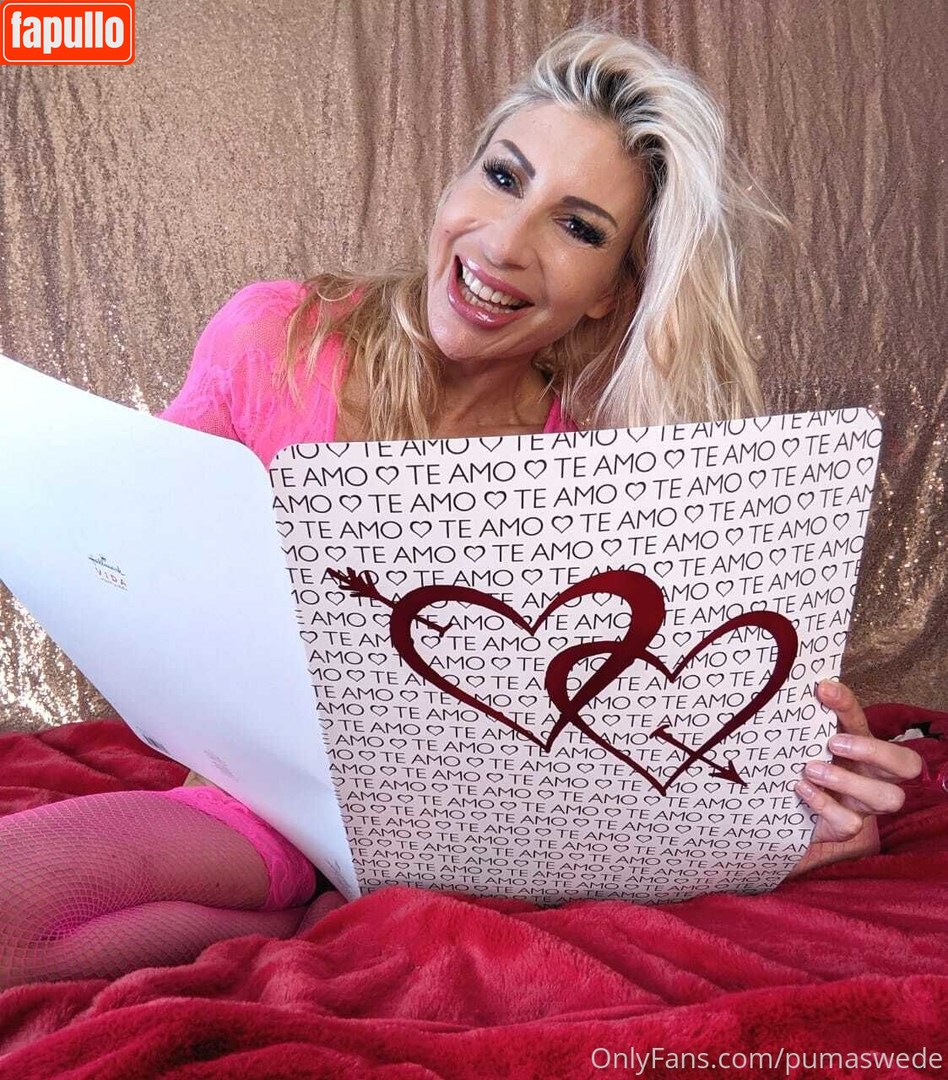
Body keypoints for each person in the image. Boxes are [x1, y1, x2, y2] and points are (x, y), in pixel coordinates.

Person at [0, 28, 922, 988]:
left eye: (578, 229)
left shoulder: (599, 469)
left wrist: (799, 786)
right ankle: (310, 910)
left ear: (611, 295)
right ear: (455, 181)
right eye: (503, 176)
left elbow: (652, 729)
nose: (505, 244)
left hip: (471, 860)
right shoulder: (279, 340)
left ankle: (326, 913)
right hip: (252, 812)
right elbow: (139, 564)